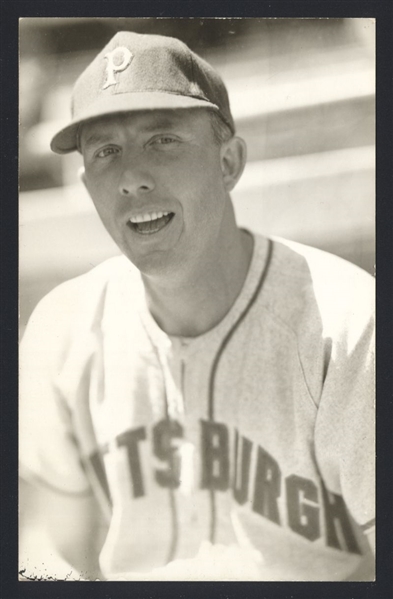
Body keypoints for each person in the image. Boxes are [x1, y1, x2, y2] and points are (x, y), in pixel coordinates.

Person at [19, 31, 375, 581]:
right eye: (106, 151)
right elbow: (57, 551)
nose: (132, 179)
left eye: (162, 140)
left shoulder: (348, 325)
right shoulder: (59, 333)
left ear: (229, 162)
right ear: (87, 183)